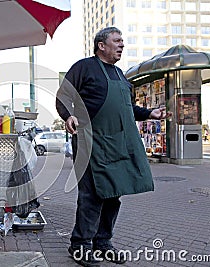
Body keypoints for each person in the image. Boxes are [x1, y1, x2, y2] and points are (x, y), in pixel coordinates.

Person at [56, 27, 171, 267]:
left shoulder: (120, 75)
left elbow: (127, 110)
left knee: (113, 195)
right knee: (91, 195)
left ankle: (103, 242)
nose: (122, 45)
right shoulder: (84, 67)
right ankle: (80, 245)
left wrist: (150, 113)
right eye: (117, 41)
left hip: (116, 144)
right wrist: (68, 116)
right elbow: (63, 96)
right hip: (89, 141)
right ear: (101, 45)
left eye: (122, 41)